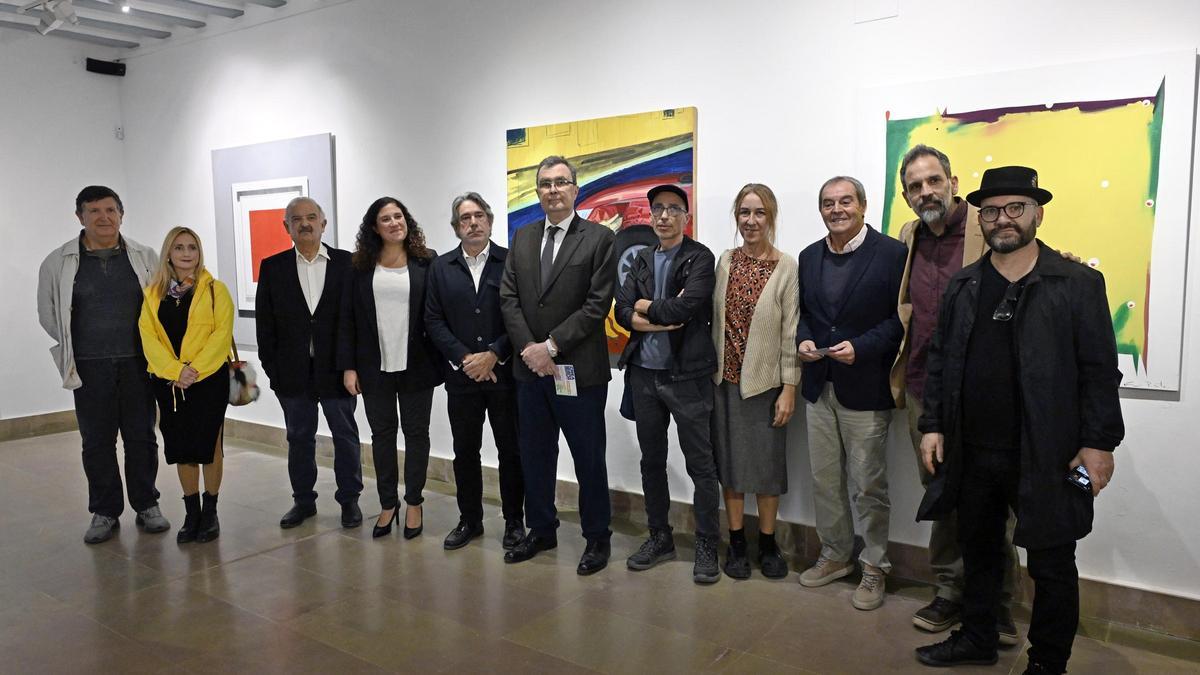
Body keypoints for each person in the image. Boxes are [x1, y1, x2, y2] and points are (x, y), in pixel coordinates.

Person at [915, 166, 1124, 675]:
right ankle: (978, 637)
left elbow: (1099, 370)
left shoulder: (1076, 283)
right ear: (980, 219)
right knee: (979, 551)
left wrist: (1098, 443)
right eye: (991, 211)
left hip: (1047, 452)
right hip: (974, 449)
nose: (1002, 219)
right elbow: (941, 360)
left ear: (1037, 213)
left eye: (1015, 208)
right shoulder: (964, 285)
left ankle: (1048, 664)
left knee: (1052, 563)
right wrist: (934, 425)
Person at [891, 145, 1020, 640]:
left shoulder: (987, 228)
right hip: (926, 389)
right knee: (941, 495)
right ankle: (948, 591)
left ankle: (997, 600)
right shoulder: (909, 237)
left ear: (952, 181)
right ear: (906, 196)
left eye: (933, 181)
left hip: (985, 392)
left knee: (994, 498)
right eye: (916, 186)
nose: (926, 192)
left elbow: (1034, 263)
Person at [499, 155, 616, 574]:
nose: (553, 190)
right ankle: (542, 529)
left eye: (561, 182)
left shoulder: (600, 238)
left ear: (575, 189)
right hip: (529, 372)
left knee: (588, 458)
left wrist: (549, 346)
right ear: (537, 192)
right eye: (545, 183)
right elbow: (509, 299)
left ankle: (597, 538)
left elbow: (597, 305)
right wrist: (530, 349)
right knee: (535, 455)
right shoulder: (523, 237)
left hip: (577, 372)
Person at [795, 176, 907, 611]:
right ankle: (835, 555)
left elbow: (900, 320)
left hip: (866, 387)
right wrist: (805, 340)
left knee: (868, 486)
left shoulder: (894, 255)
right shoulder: (809, 256)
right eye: (828, 203)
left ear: (863, 205)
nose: (836, 209)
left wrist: (861, 347)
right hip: (819, 385)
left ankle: (875, 565)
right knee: (825, 481)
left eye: (845, 201)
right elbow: (806, 314)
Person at [37, 186, 169, 544]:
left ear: (121, 215)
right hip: (89, 366)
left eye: (110, 210)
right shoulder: (57, 262)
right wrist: (80, 344)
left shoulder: (145, 256)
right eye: (93, 211)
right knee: (96, 441)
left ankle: (146, 504)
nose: (103, 217)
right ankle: (105, 510)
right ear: (80, 217)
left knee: (141, 437)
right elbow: (50, 315)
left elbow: (161, 305)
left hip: (138, 364)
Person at [614, 184, 721, 584]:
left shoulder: (699, 257)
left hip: (687, 377)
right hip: (643, 375)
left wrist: (646, 307)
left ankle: (708, 542)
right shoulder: (641, 258)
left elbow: (685, 308)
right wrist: (646, 311)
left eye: (673, 209)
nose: (664, 216)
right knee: (651, 460)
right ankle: (659, 537)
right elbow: (622, 311)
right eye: (657, 208)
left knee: (701, 464)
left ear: (685, 217)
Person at [425, 192, 526, 551]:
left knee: (510, 451)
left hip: (504, 377)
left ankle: (515, 521)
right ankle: (470, 520)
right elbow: (433, 320)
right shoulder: (441, 267)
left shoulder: (510, 261)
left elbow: (522, 315)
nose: (473, 223)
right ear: (456, 227)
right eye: (465, 218)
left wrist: (494, 353)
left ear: (490, 221)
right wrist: (466, 358)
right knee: (465, 452)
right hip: (461, 378)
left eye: (479, 216)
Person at [339, 197, 444, 540]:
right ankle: (388, 503)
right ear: (374, 227)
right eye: (386, 218)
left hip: (418, 365)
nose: (394, 222)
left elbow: (440, 313)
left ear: (407, 221)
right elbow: (348, 321)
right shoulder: (359, 266)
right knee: (382, 437)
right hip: (374, 368)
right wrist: (349, 367)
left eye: (399, 216)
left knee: (417, 435)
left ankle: (413, 502)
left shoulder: (428, 262)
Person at [256, 196, 363, 530]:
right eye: (296, 218)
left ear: (323, 224)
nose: (305, 223)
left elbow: (358, 321)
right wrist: (274, 372)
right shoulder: (273, 267)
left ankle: (350, 501)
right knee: (299, 438)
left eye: (311, 217)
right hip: (293, 375)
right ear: (286, 226)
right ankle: (303, 501)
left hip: (337, 371)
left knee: (345, 437)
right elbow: (265, 326)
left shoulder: (348, 264)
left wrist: (353, 366)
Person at [710, 183, 799, 580]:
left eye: (759, 212)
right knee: (730, 468)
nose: (751, 220)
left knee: (766, 469)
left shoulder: (787, 267)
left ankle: (767, 543)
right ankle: (737, 543)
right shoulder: (724, 261)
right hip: (723, 383)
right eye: (744, 212)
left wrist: (789, 389)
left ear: (771, 217)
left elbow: (790, 333)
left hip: (766, 386)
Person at [138, 227, 233, 543]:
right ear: (169, 253)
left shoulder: (215, 290)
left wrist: (194, 370)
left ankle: (211, 511)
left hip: (207, 381)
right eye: (179, 247)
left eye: (192, 247)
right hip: (169, 383)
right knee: (182, 448)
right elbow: (148, 338)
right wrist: (174, 370)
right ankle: (191, 512)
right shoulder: (153, 295)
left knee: (209, 446)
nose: (186, 253)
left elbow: (221, 336)